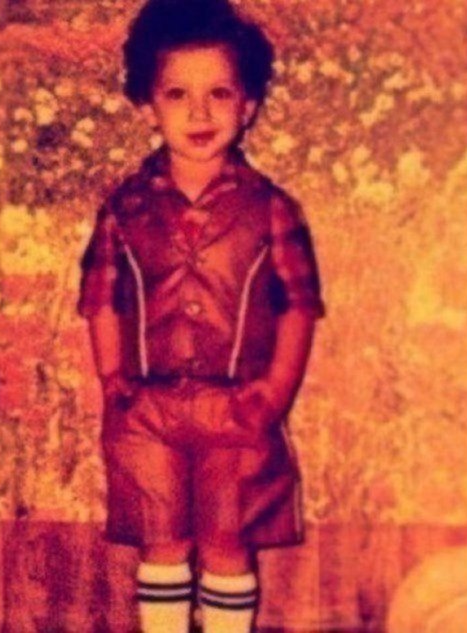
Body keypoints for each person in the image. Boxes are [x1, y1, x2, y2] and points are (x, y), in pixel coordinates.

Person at [77, 1, 324, 631]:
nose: (199, 112)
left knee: (226, 542)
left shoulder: (272, 208)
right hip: (147, 412)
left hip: (237, 409)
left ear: (248, 105)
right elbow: (100, 299)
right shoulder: (123, 208)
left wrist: (276, 390)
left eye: (219, 93)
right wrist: (112, 380)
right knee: (161, 541)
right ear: (147, 106)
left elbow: (298, 307)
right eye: (177, 94)